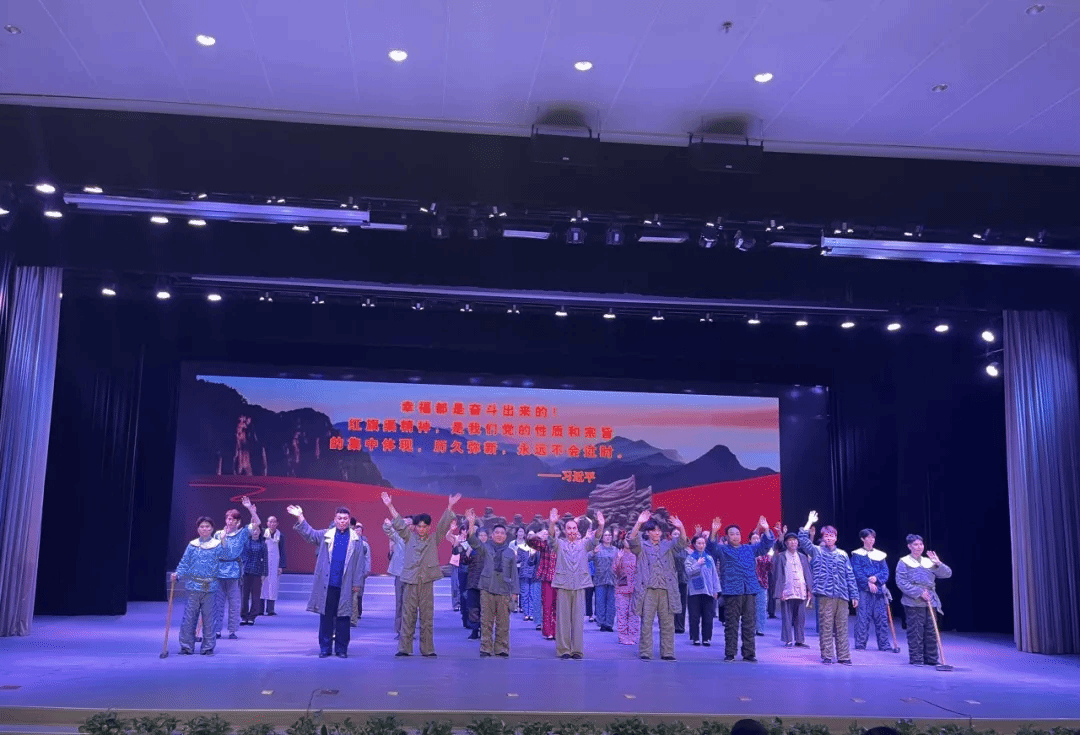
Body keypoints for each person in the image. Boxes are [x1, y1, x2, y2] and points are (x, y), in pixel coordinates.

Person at [383, 491, 460, 657]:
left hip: (426, 582)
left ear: (428, 528)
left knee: (427, 617)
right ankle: (404, 648)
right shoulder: (408, 537)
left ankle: (427, 649)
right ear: (415, 527)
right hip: (410, 581)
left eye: (425, 526)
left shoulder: (433, 539)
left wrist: (450, 506)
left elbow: (442, 526)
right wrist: (390, 505)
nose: (422, 529)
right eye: (419, 526)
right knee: (408, 616)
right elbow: (399, 524)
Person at [287, 504, 366, 658]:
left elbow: (359, 563)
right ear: (334, 520)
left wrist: (357, 583)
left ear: (349, 520)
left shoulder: (356, 540)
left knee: (344, 617)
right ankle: (325, 647)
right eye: (339, 518)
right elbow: (310, 534)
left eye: (345, 518)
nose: (342, 521)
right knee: (326, 617)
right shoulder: (326, 535)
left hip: (345, 584)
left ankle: (341, 649)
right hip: (328, 583)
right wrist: (300, 517)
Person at [707, 515, 775, 662]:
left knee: (749, 624)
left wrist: (766, 530)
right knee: (731, 624)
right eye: (732, 534)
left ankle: (749, 653)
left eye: (737, 534)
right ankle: (730, 653)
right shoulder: (723, 550)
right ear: (727, 537)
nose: (735, 536)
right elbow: (711, 549)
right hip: (732, 591)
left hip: (749, 590)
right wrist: (713, 532)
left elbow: (765, 546)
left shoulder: (749, 549)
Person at [799, 511, 859, 665]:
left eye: (832, 536)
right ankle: (827, 655)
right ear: (823, 537)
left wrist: (854, 595)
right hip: (825, 596)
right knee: (826, 627)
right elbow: (803, 540)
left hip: (842, 596)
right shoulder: (817, 551)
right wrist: (809, 522)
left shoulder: (842, 554)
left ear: (836, 538)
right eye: (826, 536)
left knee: (842, 627)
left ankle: (844, 656)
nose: (829, 538)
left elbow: (850, 575)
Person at [628, 511, 683, 660]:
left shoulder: (668, 546)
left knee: (668, 624)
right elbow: (632, 540)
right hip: (648, 591)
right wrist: (639, 522)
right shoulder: (642, 547)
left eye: (659, 530)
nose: (657, 533)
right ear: (648, 532)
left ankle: (668, 652)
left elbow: (682, 543)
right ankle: (645, 652)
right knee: (646, 623)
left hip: (666, 590)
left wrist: (681, 527)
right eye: (653, 530)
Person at [548, 507, 602, 659]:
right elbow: (551, 538)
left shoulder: (584, 544)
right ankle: (564, 650)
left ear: (577, 530)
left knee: (578, 621)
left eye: (574, 528)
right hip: (563, 585)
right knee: (563, 620)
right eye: (569, 528)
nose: (571, 531)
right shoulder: (559, 544)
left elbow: (595, 539)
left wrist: (601, 525)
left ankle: (577, 650)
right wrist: (552, 523)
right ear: (565, 531)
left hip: (579, 585)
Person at [465, 509, 519, 657]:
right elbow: (472, 541)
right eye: (497, 533)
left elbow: (514, 574)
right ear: (492, 535)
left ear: (505, 536)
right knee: (486, 621)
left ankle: (502, 648)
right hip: (487, 588)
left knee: (503, 622)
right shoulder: (485, 548)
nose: (499, 535)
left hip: (504, 590)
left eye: (502, 533)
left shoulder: (510, 552)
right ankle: (486, 647)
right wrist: (471, 523)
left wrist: (515, 593)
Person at [895, 534, 952, 667]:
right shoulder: (904, 562)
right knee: (916, 631)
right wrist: (919, 592)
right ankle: (916, 658)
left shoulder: (928, 561)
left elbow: (947, 574)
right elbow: (901, 582)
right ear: (909, 546)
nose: (919, 547)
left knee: (931, 631)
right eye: (915, 544)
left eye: (921, 544)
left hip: (930, 600)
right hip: (913, 602)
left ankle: (931, 658)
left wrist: (938, 563)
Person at [173, 516, 225, 655]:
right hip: (193, 586)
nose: (205, 529)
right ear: (198, 529)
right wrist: (178, 574)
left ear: (212, 529)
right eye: (202, 526)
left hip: (210, 587)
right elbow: (184, 563)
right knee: (189, 618)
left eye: (207, 526)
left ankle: (208, 647)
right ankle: (186, 646)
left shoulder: (217, 545)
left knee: (209, 619)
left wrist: (224, 540)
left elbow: (226, 558)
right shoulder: (193, 545)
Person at [213, 497, 260, 640]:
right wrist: (222, 539)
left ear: (238, 521)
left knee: (234, 603)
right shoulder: (218, 534)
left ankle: (232, 630)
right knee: (218, 603)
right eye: (228, 519)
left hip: (233, 572)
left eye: (233, 519)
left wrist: (250, 509)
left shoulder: (242, 533)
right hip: (219, 572)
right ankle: (217, 630)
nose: (230, 521)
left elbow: (257, 523)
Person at [851, 528, 894, 652]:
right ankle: (860, 644)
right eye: (869, 537)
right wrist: (867, 582)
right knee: (863, 618)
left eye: (873, 538)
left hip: (879, 591)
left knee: (881, 618)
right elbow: (857, 572)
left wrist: (876, 578)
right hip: (864, 591)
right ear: (862, 539)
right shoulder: (857, 555)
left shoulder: (880, 555)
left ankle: (884, 644)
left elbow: (885, 572)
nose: (871, 540)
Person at [771, 531, 813, 648]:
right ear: (786, 543)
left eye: (795, 540)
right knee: (787, 616)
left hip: (801, 589)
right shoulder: (781, 557)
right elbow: (778, 575)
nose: (793, 542)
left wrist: (810, 589)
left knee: (800, 617)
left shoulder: (802, 557)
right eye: (790, 540)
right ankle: (788, 640)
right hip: (787, 589)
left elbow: (807, 573)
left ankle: (800, 640)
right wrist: (780, 591)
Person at [685, 533, 721, 646]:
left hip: (708, 591)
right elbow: (688, 572)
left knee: (708, 616)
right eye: (699, 543)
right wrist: (697, 564)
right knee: (694, 616)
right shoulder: (690, 558)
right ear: (694, 545)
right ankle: (695, 637)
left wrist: (716, 590)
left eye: (703, 543)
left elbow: (714, 575)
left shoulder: (709, 558)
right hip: (694, 592)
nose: (701, 545)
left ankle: (706, 638)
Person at [528, 526, 558, 640]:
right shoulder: (545, 544)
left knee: (558, 607)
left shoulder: (562, 545)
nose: (554, 532)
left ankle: (556, 631)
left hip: (560, 580)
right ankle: (548, 631)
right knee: (547, 605)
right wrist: (538, 535)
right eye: (553, 530)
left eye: (557, 530)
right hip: (547, 579)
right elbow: (530, 542)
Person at [383, 515, 409, 638]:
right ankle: (400, 630)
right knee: (399, 603)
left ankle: (409, 629)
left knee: (411, 604)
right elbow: (388, 530)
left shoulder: (416, 539)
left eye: (408, 524)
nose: (406, 526)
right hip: (400, 574)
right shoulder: (398, 537)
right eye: (404, 524)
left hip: (412, 576)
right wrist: (388, 524)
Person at [239, 522, 267, 625]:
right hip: (246, 572)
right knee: (244, 596)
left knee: (255, 596)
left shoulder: (263, 544)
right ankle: (244, 616)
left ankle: (252, 616)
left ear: (260, 532)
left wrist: (264, 573)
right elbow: (241, 557)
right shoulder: (246, 542)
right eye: (253, 530)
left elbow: (265, 560)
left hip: (257, 572)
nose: (255, 532)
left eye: (257, 530)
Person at [590, 529, 617, 632]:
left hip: (613, 579)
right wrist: (593, 552)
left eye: (609, 535)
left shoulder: (615, 550)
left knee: (611, 603)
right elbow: (587, 558)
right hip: (600, 579)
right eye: (605, 535)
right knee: (600, 602)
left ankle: (609, 624)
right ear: (602, 537)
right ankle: (601, 623)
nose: (608, 537)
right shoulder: (597, 548)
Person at [613, 538, 639, 645]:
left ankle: (633, 636)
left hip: (635, 588)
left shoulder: (637, 554)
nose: (628, 542)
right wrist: (619, 559)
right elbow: (615, 570)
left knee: (634, 613)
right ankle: (623, 636)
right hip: (622, 588)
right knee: (622, 613)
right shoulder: (619, 553)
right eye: (626, 540)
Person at [260, 515, 287, 616]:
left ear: (277, 523)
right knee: (262, 586)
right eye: (270, 522)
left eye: (274, 522)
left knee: (273, 586)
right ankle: (260, 609)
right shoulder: (263, 534)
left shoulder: (280, 535)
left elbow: (282, 551)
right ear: (267, 523)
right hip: (263, 563)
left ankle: (270, 610)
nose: (272, 524)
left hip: (275, 564)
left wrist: (281, 566)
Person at [515, 527, 540, 622]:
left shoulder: (538, 547)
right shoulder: (521, 547)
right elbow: (518, 560)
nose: (531, 536)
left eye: (532, 535)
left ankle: (532, 613)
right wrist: (514, 556)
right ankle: (526, 613)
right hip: (524, 573)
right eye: (529, 535)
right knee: (525, 594)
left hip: (535, 573)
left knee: (533, 595)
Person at [350, 519, 371, 627]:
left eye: (359, 530)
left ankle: (355, 616)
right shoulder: (350, 541)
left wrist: (367, 570)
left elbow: (367, 558)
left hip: (360, 572)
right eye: (356, 529)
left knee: (358, 595)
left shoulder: (364, 545)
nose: (357, 531)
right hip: (349, 572)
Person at [750, 531, 770, 636]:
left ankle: (760, 628)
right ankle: (750, 628)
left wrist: (764, 560)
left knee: (761, 606)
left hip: (762, 583)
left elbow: (769, 568)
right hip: (749, 583)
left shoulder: (764, 553)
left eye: (758, 538)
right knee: (749, 607)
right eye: (754, 538)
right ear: (750, 540)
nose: (756, 540)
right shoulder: (746, 552)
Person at [671, 527, 688, 635]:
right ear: (671, 536)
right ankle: (672, 625)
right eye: (675, 534)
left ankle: (680, 626)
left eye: (678, 534)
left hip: (683, 579)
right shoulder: (669, 549)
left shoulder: (686, 550)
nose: (677, 536)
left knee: (682, 603)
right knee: (672, 602)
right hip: (671, 579)